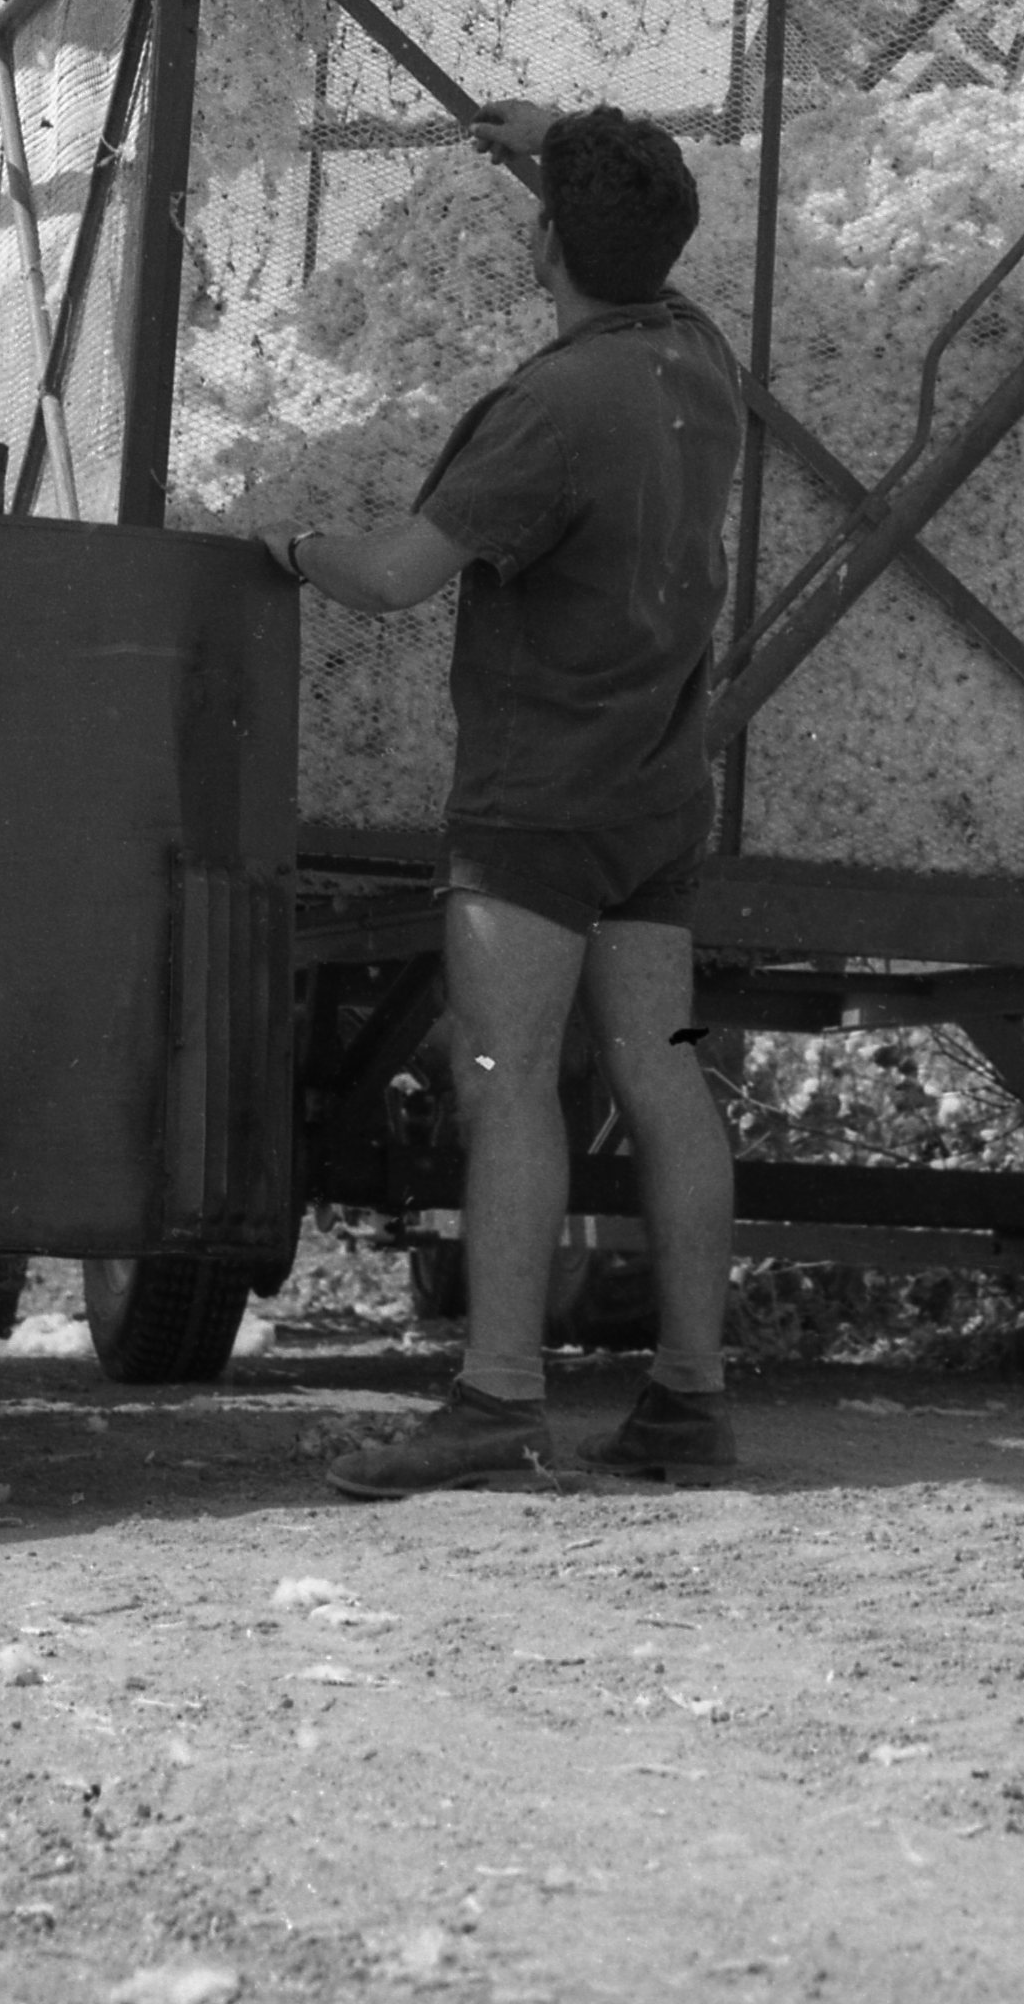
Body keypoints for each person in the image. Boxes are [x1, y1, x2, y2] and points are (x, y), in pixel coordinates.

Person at [271, 101, 746, 1496]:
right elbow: (639, 237)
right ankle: (690, 1399)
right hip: (658, 806)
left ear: (542, 242)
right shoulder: (698, 360)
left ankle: (496, 1396)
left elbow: (396, 577)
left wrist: (284, 543)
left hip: (536, 811)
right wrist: (554, 151)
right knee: (666, 1075)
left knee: (506, 1080)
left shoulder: (550, 409)